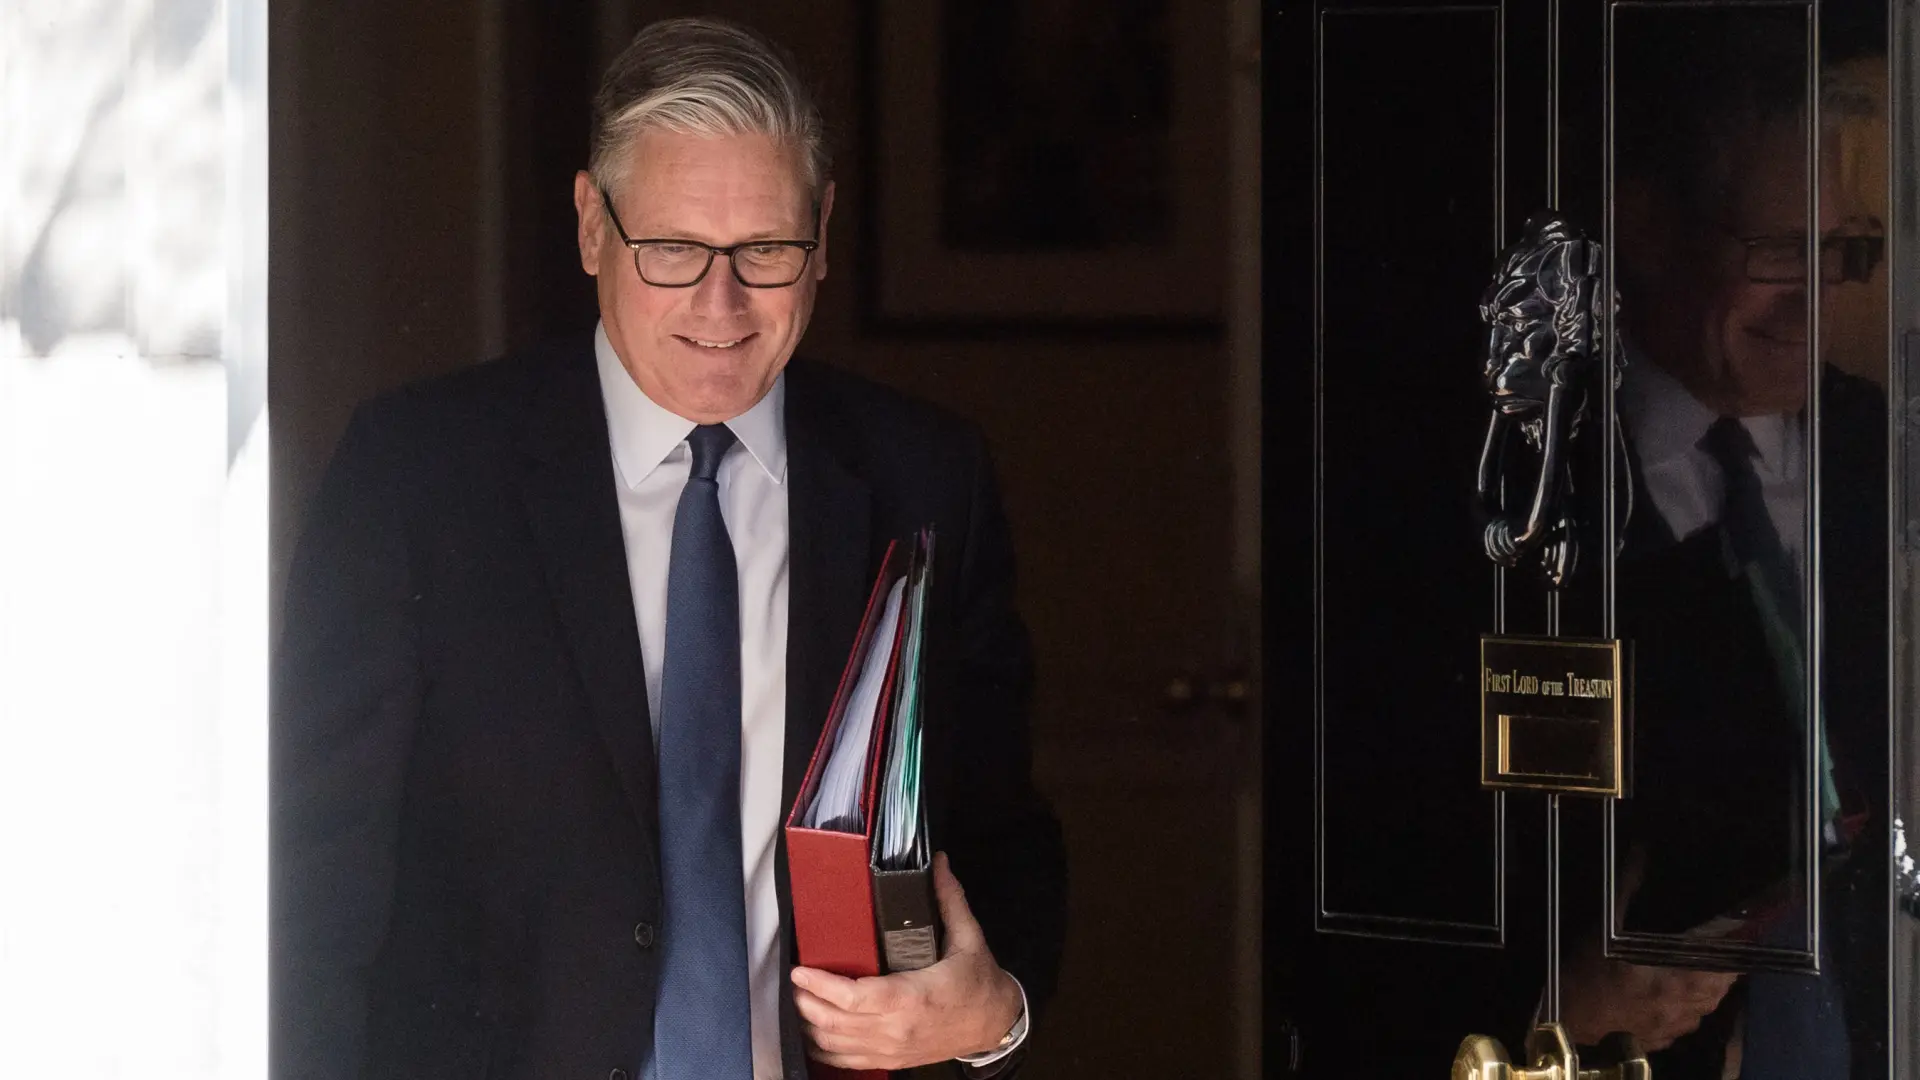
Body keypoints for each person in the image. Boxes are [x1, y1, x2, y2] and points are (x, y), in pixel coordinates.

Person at [271, 17, 1067, 1080]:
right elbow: (311, 892)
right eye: (673, 250)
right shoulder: (420, 479)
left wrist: (995, 1016)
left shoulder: (926, 479)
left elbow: (1002, 839)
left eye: (766, 251)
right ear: (592, 227)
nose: (719, 303)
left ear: (824, 234)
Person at [1559, 18, 1888, 1079]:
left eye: (1840, 251)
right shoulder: (1537, 479)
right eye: (1779, 251)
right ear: (1649, 229)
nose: (1816, 296)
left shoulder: (1883, 457)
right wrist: (1555, 997)